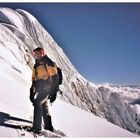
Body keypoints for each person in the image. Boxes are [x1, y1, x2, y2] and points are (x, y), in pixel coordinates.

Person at [29, 47, 59, 134]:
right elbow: (34, 80)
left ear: (43, 53)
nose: (38, 55)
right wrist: (32, 92)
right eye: (36, 53)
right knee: (44, 108)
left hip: (47, 89)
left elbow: (55, 77)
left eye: (39, 53)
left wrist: (53, 92)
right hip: (40, 90)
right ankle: (49, 128)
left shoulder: (47, 61)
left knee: (38, 103)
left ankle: (37, 128)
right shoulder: (36, 65)